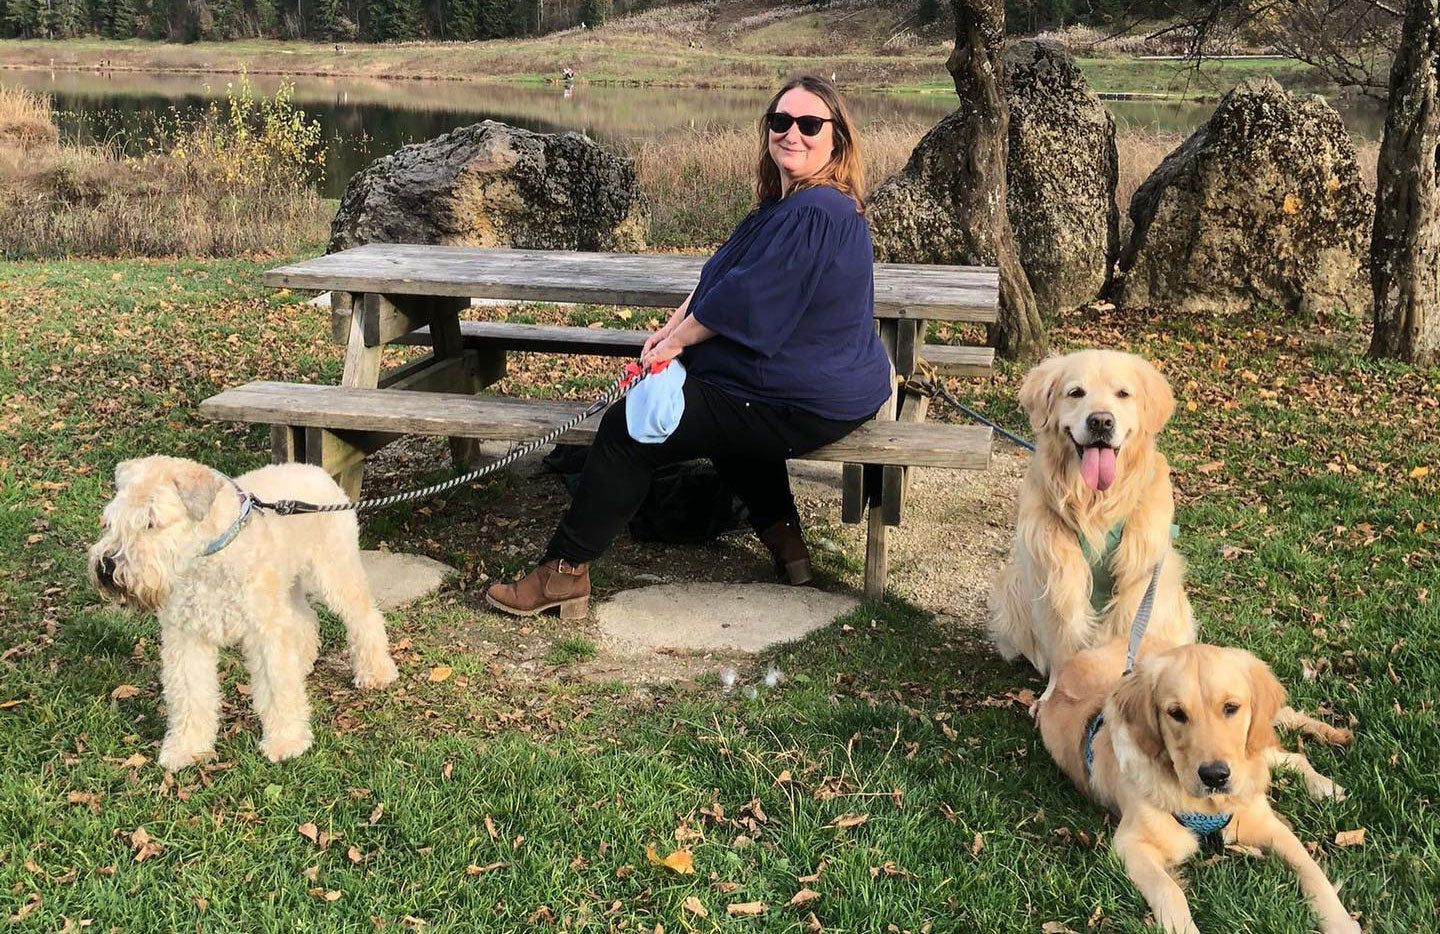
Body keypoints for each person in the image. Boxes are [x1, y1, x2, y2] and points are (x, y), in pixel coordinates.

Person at [485, 75, 892, 619]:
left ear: (836, 139)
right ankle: (787, 545)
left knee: (629, 427)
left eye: (809, 124)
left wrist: (676, 343)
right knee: (718, 409)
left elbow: (749, 302)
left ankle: (563, 574)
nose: (792, 133)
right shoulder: (789, 206)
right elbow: (719, 282)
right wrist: (670, 332)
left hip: (807, 396)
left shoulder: (816, 213)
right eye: (780, 121)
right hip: (815, 383)